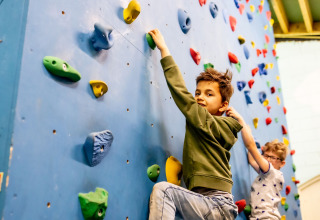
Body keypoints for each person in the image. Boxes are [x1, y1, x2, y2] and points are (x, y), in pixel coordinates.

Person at [147, 29, 242, 220]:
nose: (199, 97)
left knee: (164, 191)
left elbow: (181, 93)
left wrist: (164, 50)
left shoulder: (205, 120)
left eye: (209, 94)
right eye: (198, 93)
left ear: (223, 105)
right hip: (213, 205)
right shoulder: (217, 127)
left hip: (215, 203)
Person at [226, 107, 287, 220]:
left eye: (272, 157)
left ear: (282, 163)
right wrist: (250, 135)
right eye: (266, 156)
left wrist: (241, 121)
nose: (267, 160)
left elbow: (251, 147)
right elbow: (252, 160)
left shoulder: (272, 173)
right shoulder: (266, 174)